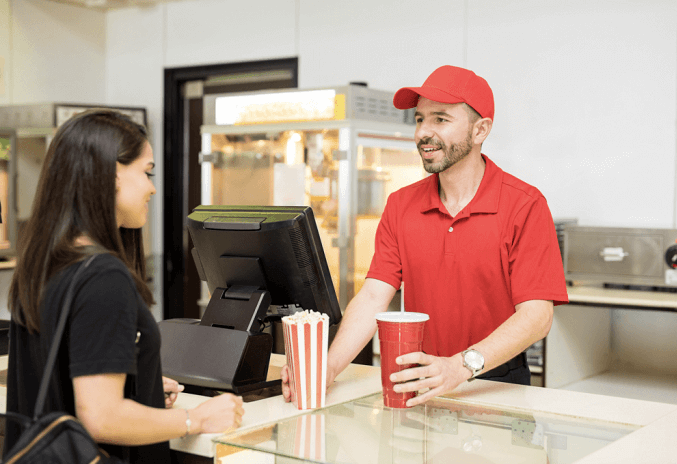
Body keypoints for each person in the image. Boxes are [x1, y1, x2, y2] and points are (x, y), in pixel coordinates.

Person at [282, 65, 569, 408]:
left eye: (441, 119)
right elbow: (374, 297)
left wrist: (461, 366)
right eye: (419, 119)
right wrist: (327, 368)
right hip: (418, 382)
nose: (423, 133)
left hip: (496, 384)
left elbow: (537, 316)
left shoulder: (525, 205)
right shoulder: (401, 205)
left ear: (481, 130)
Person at [4, 109, 245, 463]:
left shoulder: (44, 262)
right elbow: (101, 418)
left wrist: (139, 386)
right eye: (146, 172)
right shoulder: (103, 276)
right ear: (113, 175)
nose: (152, 188)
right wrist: (196, 419)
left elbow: (63, 378)